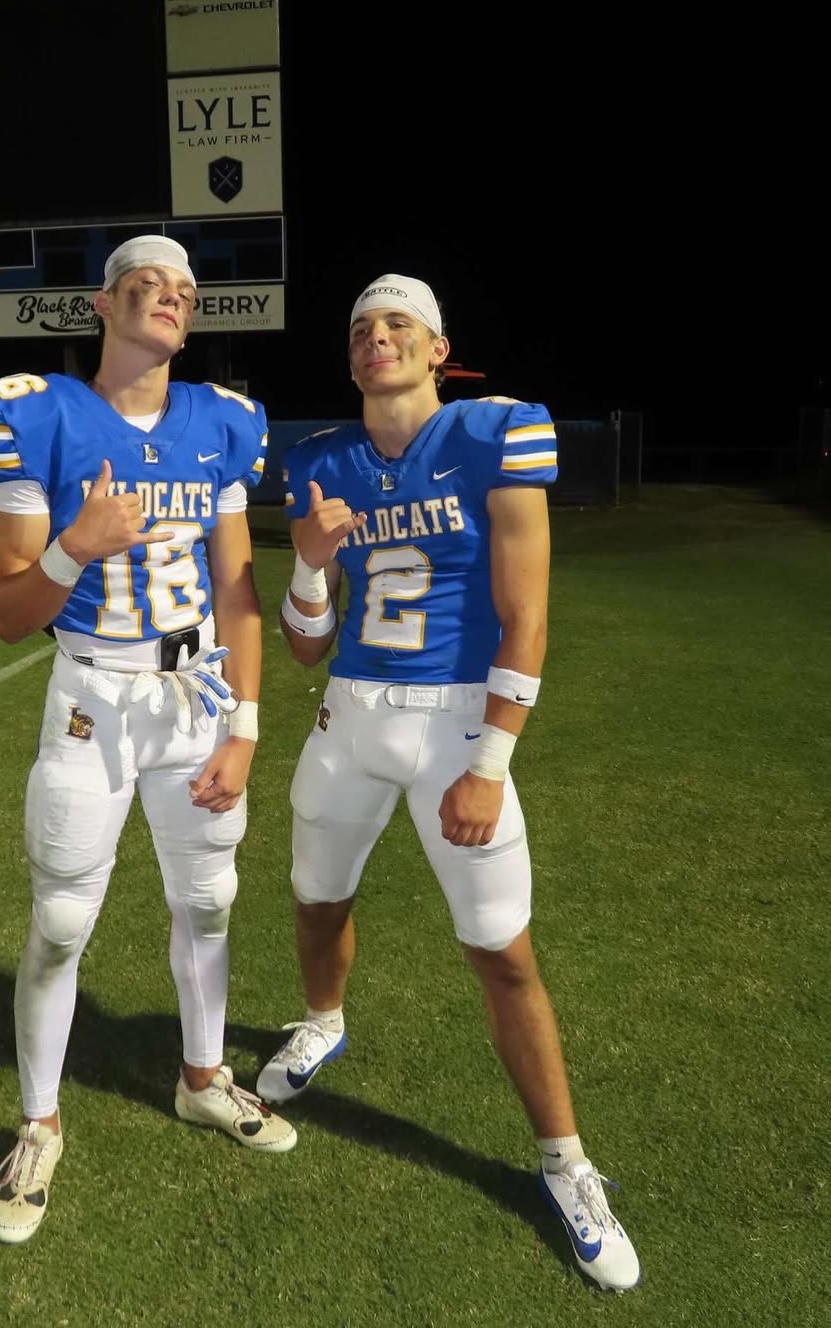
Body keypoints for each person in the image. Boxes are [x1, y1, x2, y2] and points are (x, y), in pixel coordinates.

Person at [256, 274, 641, 1292]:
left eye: (399, 325)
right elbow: (305, 644)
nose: (376, 337)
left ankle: (566, 1161)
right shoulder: (322, 460)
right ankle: (323, 1021)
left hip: (458, 723)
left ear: (437, 348)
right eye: (361, 328)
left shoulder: (492, 433)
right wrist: (307, 565)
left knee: (502, 951)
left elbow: (527, 617)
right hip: (349, 713)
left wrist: (490, 764)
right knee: (315, 896)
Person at [0, 234, 296, 1247]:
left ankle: (203, 1077)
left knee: (211, 900)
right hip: (92, 699)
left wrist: (244, 726)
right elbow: (7, 613)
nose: (168, 296)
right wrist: (76, 546)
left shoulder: (224, 421)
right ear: (103, 306)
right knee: (63, 920)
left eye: (183, 289)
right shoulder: (37, 415)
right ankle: (38, 1123)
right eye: (145, 284)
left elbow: (238, 589)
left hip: (196, 699)